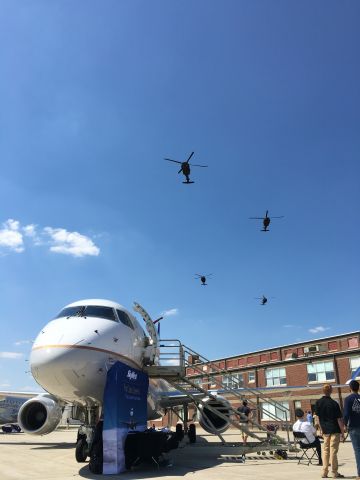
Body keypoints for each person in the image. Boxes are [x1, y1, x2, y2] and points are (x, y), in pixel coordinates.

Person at [315, 384, 345, 478]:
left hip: (325, 430)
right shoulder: (334, 403)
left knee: (326, 451)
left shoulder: (318, 403)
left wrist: (320, 429)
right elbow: (339, 419)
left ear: (323, 391)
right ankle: (334, 472)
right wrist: (343, 432)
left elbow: (317, 418)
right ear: (331, 391)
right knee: (333, 452)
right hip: (335, 430)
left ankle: (324, 472)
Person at [343, 379, 360, 479]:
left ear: (350, 388)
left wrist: (344, 425)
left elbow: (346, 414)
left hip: (354, 427)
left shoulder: (348, 399)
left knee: (358, 450)